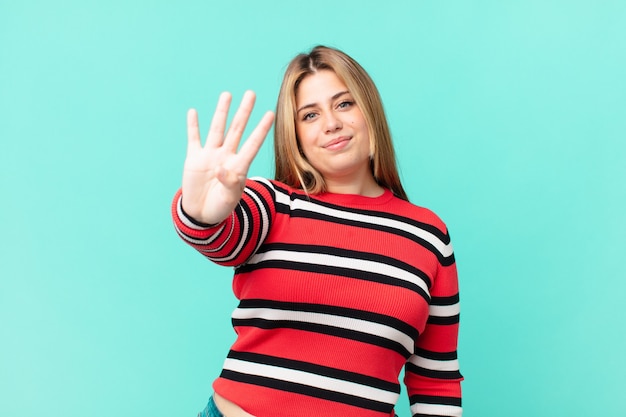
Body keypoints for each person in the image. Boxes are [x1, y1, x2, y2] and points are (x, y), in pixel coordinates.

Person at [172, 45, 463, 417]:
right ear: (295, 135)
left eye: (344, 104)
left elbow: (435, 379)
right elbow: (222, 241)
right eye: (310, 115)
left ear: (369, 110)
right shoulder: (273, 204)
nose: (331, 124)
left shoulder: (428, 234)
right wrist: (199, 213)